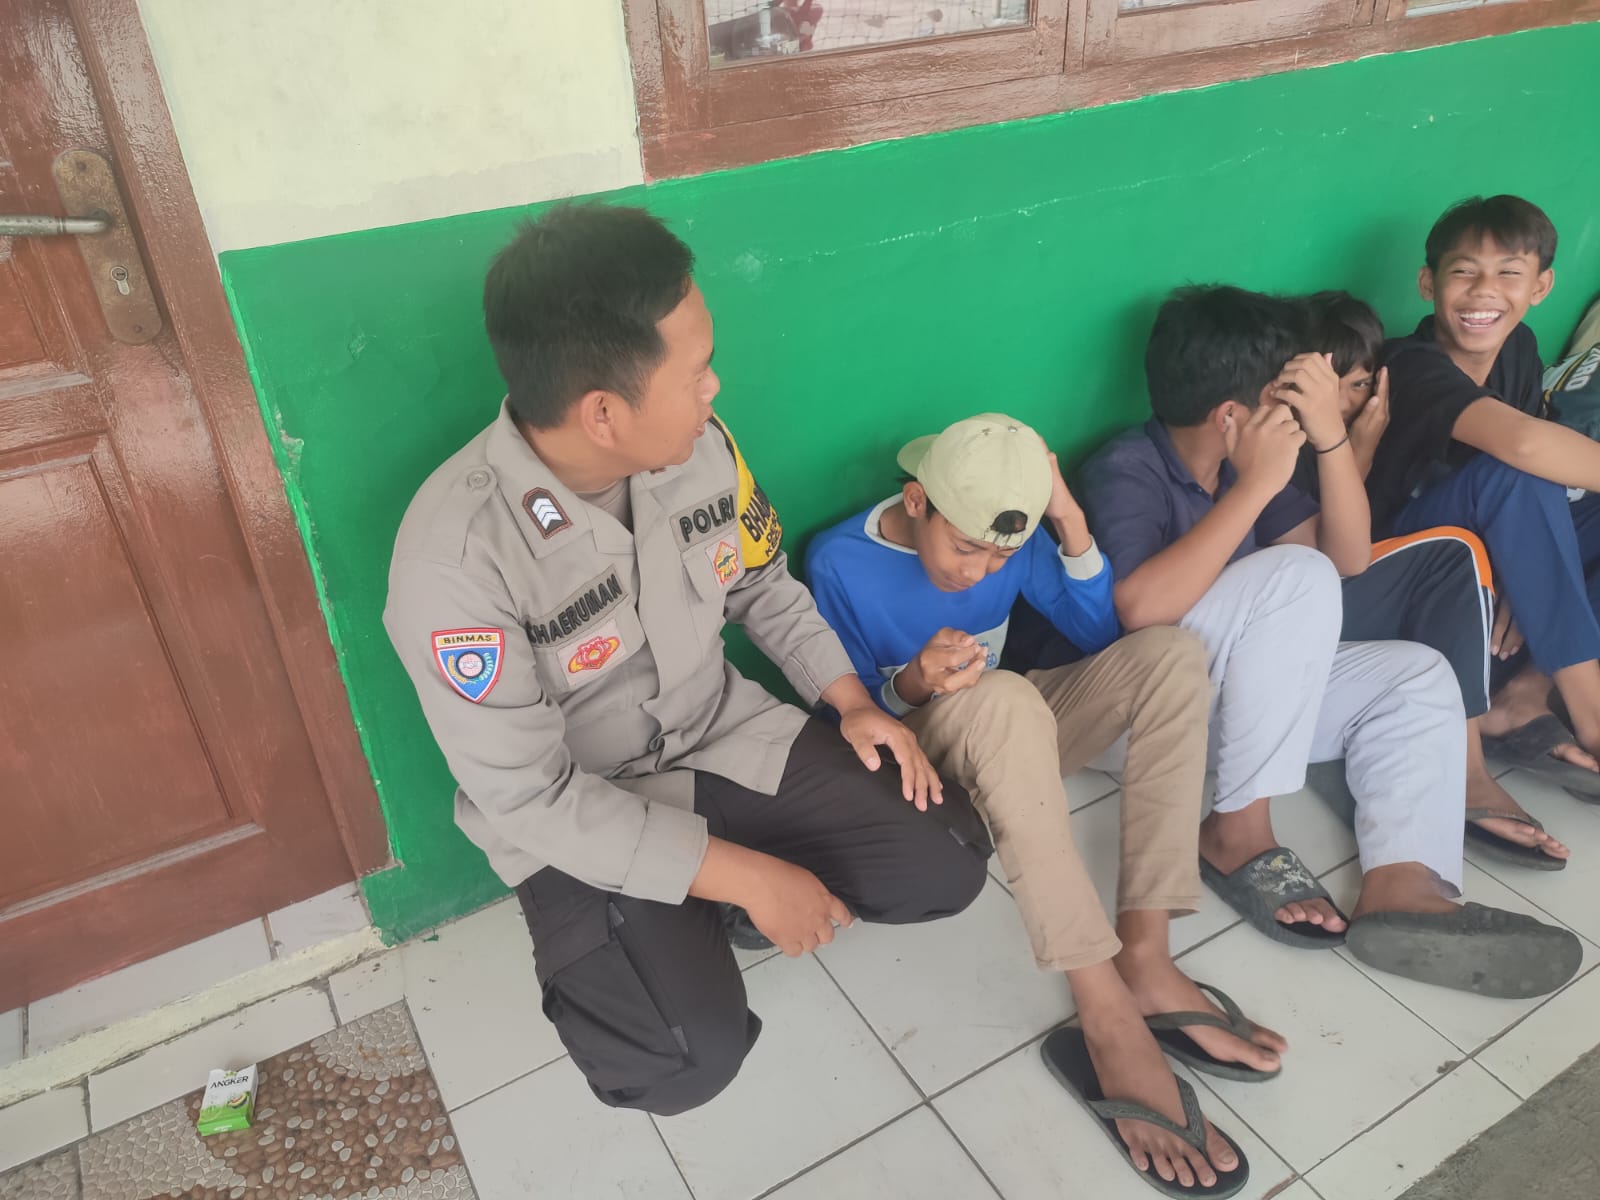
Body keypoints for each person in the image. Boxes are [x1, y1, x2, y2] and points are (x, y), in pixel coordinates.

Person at [382, 203, 992, 1117]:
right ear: (602, 413)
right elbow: (533, 800)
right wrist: (752, 876)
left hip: (723, 733)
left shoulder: (701, 446)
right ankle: (704, 896)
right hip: (587, 807)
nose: (715, 386)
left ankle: (712, 897)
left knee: (948, 861)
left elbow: (763, 582)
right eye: (695, 371)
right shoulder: (455, 561)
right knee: (676, 1061)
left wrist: (853, 702)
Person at [807, 414, 1276, 1198]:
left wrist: (1069, 520)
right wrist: (915, 682)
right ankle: (1107, 1015)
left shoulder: (1016, 544)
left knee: (1169, 656)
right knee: (1004, 696)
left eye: (1000, 555)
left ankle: (1147, 956)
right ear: (917, 501)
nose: (980, 571)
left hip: (1013, 735)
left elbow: (1099, 632)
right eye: (966, 548)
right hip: (920, 766)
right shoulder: (840, 561)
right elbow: (843, 724)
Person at [1077, 284, 1580, 1000]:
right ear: (1231, 417)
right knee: (1293, 573)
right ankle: (1236, 831)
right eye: (1283, 401)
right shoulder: (1130, 466)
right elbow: (1139, 609)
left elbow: (1346, 557)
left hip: (1228, 718)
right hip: (1138, 721)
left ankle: (1405, 883)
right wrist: (1256, 488)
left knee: (1416, 674)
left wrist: (1331, 440)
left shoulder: (1244, 466)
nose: (1292, 414)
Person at [1292, 291, 1569, 869]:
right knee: (1453, 553)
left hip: (1367, 575)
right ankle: (1467, 770)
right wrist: (1350, 450)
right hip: (1314, 600)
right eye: (1326, 384)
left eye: (1358, 385)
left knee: (1517, 519)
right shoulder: (1286, 436)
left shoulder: (1385, 411)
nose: (1340, 402)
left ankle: (1517, 697)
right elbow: (1328, 560)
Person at [1368, 195, 1600, 800]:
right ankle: (1592, 713)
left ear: (1541, 286)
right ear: (1428, 282)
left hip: (1484, 560)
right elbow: (1522, 447)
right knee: (1517, 471)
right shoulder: (1408, 365)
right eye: (1464, 271)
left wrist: (1525, 568)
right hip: (1397, 569)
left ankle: (1526, 692)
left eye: (1509, 273)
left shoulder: (1518, 348)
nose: (1484, 292)